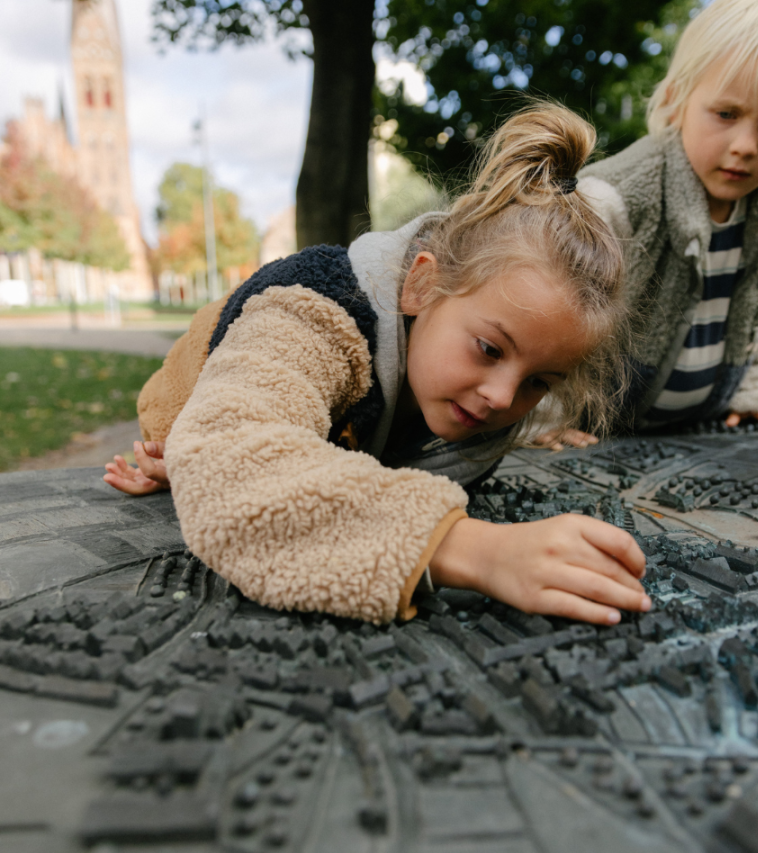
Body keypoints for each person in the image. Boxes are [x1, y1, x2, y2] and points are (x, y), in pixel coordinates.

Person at [104, 102, 650, 627]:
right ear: (421, 283)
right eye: (489, 349)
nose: (504, 398)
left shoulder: (469, 384)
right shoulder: (313, 311)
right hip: (199, 398)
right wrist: (477, 551)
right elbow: (234, 455)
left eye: (538, 382)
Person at [574, 0, 758, 435]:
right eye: (726, 114)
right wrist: (546, 416)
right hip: (593, 432)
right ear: (677, 99)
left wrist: (757, 393)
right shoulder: (614, 201)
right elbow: (550, 315)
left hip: (698, 432)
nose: (745, 145)